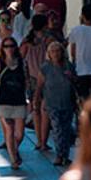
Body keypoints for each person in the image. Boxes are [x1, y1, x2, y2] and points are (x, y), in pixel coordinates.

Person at [0, 35, 29, 169]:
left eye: (12, 46)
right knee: (10, 130)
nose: (9, 49)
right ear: (2, 48)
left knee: (19, 134)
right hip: (3, 101)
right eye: (6, 46)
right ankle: (13, 159)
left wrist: (29, 98)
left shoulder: (22, 63)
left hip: (19, 101)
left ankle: (13, 150)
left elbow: (26, 81)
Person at [42, 42, 79, 167]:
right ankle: (59, 155)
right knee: (57, 129)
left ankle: (65, 155)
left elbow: (76, 82)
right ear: (49, 54)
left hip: (68, 102)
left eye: (58, 51)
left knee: (66, 129)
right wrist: (37, 101)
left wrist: (71, 77)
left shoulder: (68, 66)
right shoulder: (45, 68)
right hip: (52, 102)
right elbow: (40, 85)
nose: (56, 54)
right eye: (53, 51)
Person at [21, 14, 53, 149]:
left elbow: (20, 57)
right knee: (45, 110)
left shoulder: (27, 41)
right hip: (48, 77)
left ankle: (39, 141)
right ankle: (44, 142)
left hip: (32, 78)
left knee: (36, 110)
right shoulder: (49, 40)